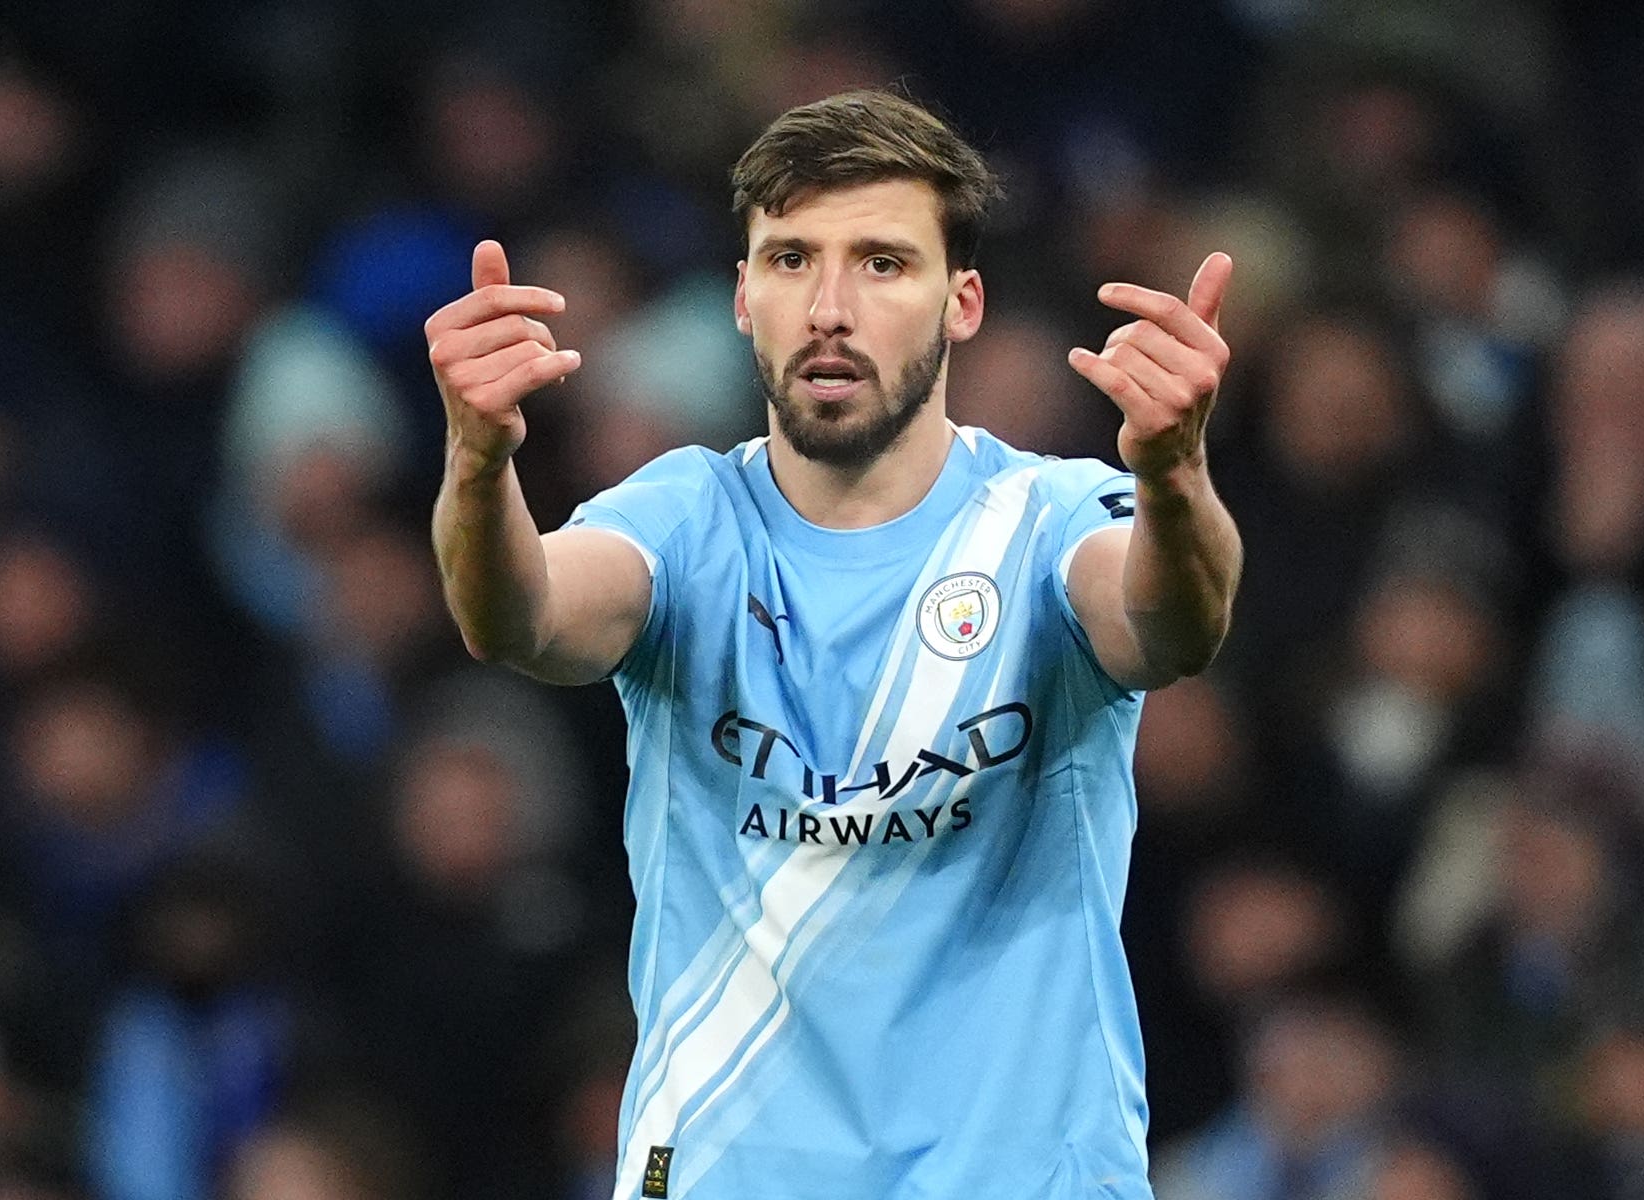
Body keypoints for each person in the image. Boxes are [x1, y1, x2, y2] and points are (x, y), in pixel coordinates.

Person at [426, 89, 1240, 1200]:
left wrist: (1175, 478)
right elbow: (516, 616)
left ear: (964, 303)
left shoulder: (1050, 519)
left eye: (882, 263)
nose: (830, 307)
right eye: (792, 260)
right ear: (741, 298)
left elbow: (1169, 623)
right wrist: (477, 469)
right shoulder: (682, 521)